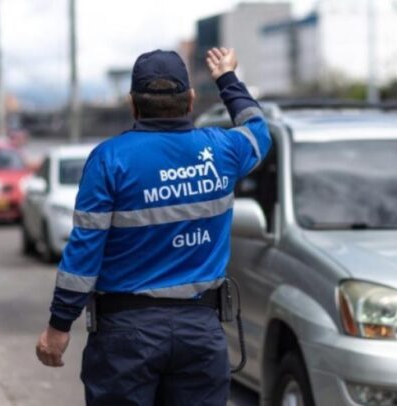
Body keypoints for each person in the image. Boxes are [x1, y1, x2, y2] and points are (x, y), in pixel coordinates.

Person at [35, 47, 271, 405]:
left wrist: (59, 326)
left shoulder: (109, 159)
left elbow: (84, 254)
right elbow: (258, 130)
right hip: (200, 335)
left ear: (133, 104)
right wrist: (227, 79)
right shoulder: (223, 151)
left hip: (125, 340)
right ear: (191, 100)